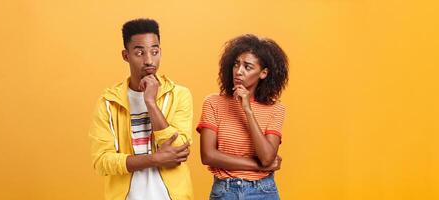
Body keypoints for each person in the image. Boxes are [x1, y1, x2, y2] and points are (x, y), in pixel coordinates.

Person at [89, 18, 193, 200]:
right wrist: (154, 159)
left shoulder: (179, 94)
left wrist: (151, 103)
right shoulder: (108, 102)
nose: (149, 60)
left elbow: (178, 150)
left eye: (155, 51)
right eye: (139, 53)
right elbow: (102, 161)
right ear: (125, 55)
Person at [197, 34, 289, 199]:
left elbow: (267, 157)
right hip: (225, 191)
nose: (238, 72)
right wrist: (258, 166)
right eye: (236, 64)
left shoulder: (276, 109)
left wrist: (247, 110)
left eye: (247, 67)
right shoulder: (213, 102)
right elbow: (208, 155)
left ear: (263, 73)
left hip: (263, 192)